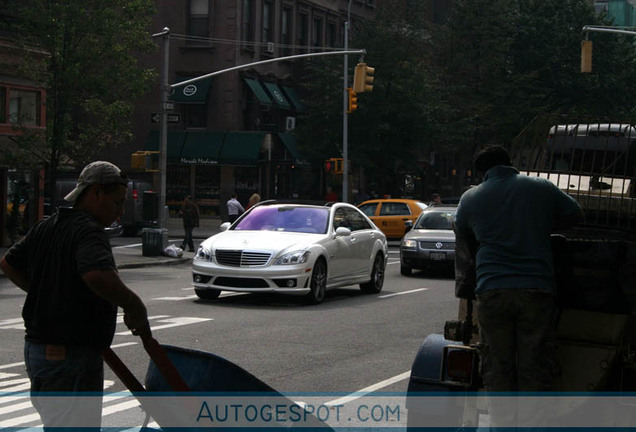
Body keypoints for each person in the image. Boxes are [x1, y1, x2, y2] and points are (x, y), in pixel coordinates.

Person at [0, 161, 151, 429]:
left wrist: (46, 294)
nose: (120, 212)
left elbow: (9, 264)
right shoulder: (89, 231)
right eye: (117, 203)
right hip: (70, 358)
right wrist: (133, 304)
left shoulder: (48, 225)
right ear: (95, 193)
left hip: (40, 353)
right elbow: (96, 274)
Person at [453, 145, 583, 426]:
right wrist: (541, 224)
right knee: (533, 363)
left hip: (492, 291)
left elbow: (462, 233)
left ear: (482, 173)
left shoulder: (471, 198)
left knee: (497, 364)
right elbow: (575, 213)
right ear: (509, 163)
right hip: (536, 289)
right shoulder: (540, 187)